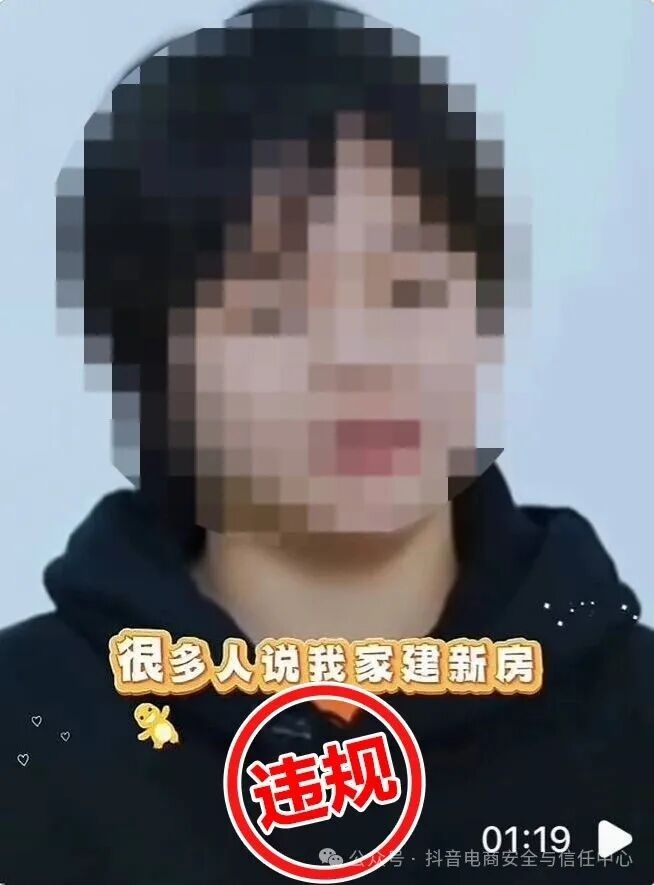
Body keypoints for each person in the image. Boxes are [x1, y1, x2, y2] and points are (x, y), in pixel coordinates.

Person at [1, 1, 652, 882]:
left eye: (409, 292)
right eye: (274, 310)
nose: (358, 355)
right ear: (156, 362)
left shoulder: (630, 717)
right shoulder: (30, 730)